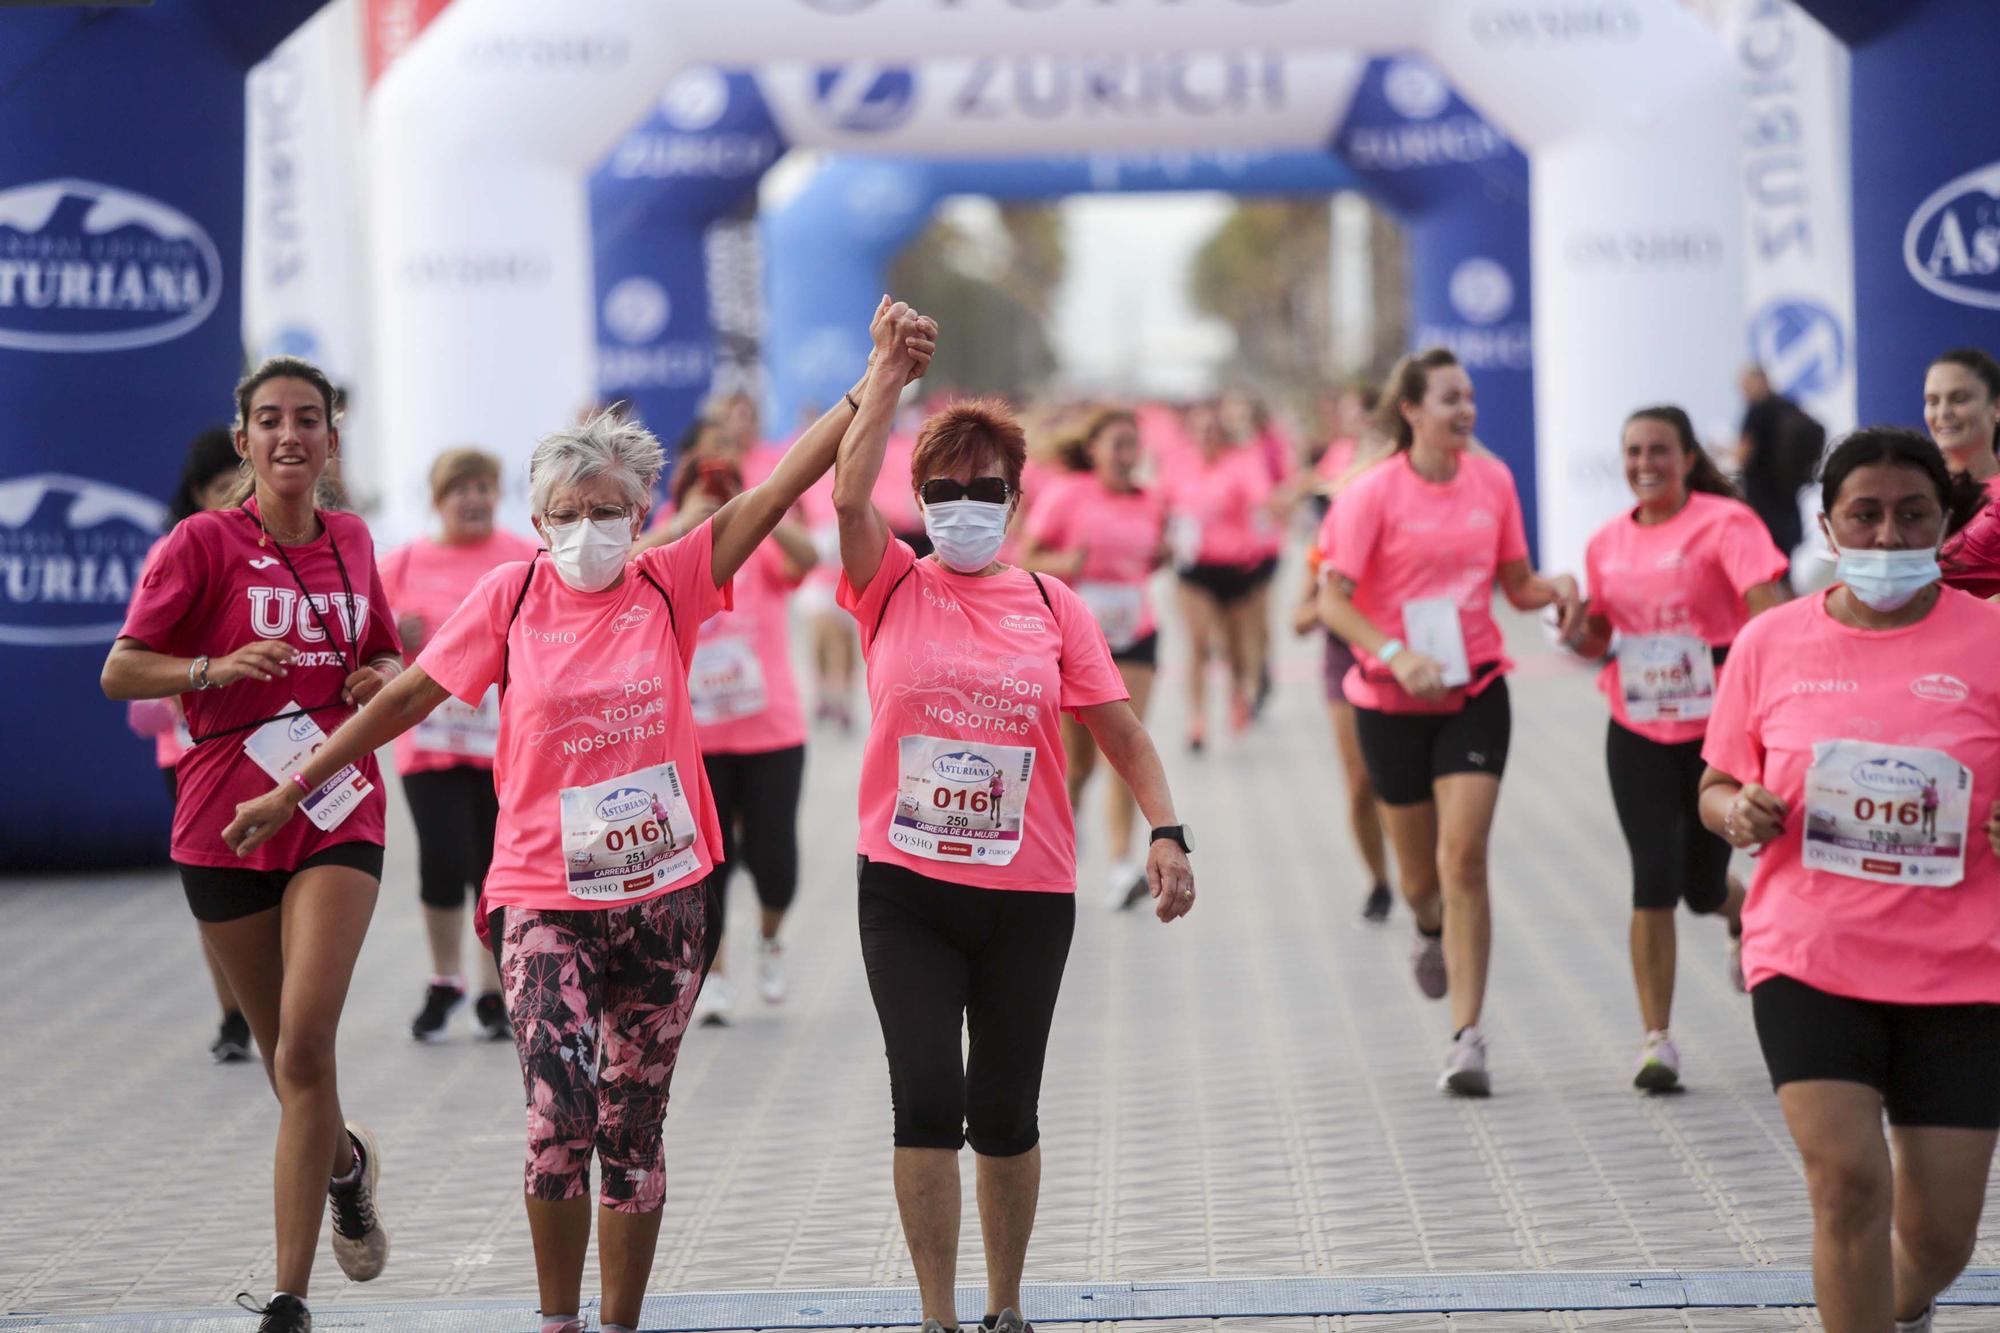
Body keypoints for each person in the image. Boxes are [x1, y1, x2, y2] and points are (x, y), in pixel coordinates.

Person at [221, 301, 937, 1333]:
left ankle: (616, 1323)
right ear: (539, 518)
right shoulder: (510, 597)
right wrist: (296, 785)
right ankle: (557, 1321)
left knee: (631, 1131)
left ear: (640, 517)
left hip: (667, 897)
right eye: (565, 510)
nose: (586, 528)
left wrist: (877, 376)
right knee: (559, 1118)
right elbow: (406, 697)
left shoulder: (672, 580)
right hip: (542, 895)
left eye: (606, 509)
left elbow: (784, 486)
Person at [834, 394, 1196, 1333]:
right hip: (905, 889)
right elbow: (842, 495)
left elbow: (1121, 730)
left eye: (984, 488)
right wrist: (883, 383)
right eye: (943, 489)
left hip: (1028, 895)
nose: (964, 504)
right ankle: (937, 1319)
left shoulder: (1051, 603)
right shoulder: (890, 585)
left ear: (1016, 498)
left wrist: (1167, 831)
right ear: (915, 498)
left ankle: (1005, 1307)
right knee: (924, 1096)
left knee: (1002, 1108)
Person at [101, 357, 400, 1333]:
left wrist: (377, 676)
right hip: (223, 819)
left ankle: (287, 1297)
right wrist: (213, 665)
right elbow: (121, 671)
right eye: (268, 420)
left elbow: (385, 655)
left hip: (334, 809)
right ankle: (345, 1165)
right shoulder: (200, 543)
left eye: (306, 419)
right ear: (242, 440)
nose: (288, 436)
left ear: (329, 437)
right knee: (286, 1063)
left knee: (307, 1041)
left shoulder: (353, 540)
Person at [1699, 427, 1998, 1333]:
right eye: (1862, 516)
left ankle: (1890, 1307)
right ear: (1827, 526)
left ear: (1945, 523)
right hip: (1809, 954)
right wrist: (1736, 811)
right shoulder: (1769, 641)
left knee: (1940, 1239)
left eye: (1911, 516)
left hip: (1964, 970)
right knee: (1847, 1187)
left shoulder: (1992, 640)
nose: (1885, 537)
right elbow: (1715, 785)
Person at [1317, 347, 1582, 1097]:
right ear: (1411, 410)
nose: (1465, 409)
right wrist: (1396, 653)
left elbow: (1516, 586)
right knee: (1419, 877)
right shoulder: (1369, 495)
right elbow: (1333, 600)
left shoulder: (1492, 480)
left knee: (1464, 858)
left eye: (1469, 397)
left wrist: (1556, 589)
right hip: (1391, 700)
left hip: (1475, 689)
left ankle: (1468, 1037)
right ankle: (1427, 926)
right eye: (1448, 399)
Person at [1564, 406, 1790, 1091]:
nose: (1644, 463)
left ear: (1689, 457)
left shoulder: (1727, 523)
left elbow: (1772, 614)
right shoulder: (1606, 542)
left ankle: (1735, 912)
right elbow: (1599, 639)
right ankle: (1656, 1040)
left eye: (1659, 449)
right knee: (1653, 877)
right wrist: (1575, 631)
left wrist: (1776, 706)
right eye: (1633, 450)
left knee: (1697, 886)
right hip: (1635, 725)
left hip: (1717, 734)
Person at [649, 452, 817, 1023]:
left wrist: (759, 507)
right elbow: (629, 570)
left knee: (776, 862)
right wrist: (684, 522)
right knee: (706, 868)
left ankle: (769, 940)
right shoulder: (669, 550)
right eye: (703, 487)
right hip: (695, 739)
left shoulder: (763, 540)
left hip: (772, 732)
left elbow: (811, 557)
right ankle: (713, 974)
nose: (716, 496)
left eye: (727, 488)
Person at [379, 448, 540, 1042]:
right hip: (431, 741)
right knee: (443, 857)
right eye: (459, 489)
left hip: (510, 745)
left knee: (495, 866)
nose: (472, 499)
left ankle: (496, 992)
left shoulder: (523, 557)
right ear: (437, 498)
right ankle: (444, 978)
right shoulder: (401, 564)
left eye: (483, 487)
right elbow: (362, 638)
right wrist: (392, 634)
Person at [123, 426, 259, 1063]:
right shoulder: (173, 553)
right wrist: (206, 670)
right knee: (215, 893)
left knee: (280, 886)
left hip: (273, 752)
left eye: (240, 483)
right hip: (189, 754)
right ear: (194, 493)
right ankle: (234, 1015)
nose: (231, 497)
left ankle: (275, 1002)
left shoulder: (281, 553)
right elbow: (132, 666)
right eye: (217, 487)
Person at [1018, 408, 1169, 910]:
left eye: (1133, 446)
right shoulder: (1067, 495)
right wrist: (1067, 564)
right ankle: (1067, 828)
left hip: (1135, 634)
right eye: (1118, 445)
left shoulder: (1151, 502)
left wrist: (1164, 554)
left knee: (1126, 748)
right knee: (1077, 761)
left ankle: (1124, 864)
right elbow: (1025, 556)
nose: (1128, 456)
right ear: (1094, 451)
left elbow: (1148, 557)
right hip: (1075, 641)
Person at [1295, 423, 1398, 923]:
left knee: (1401, 780)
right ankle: (1380, 880)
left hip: (1400, 657)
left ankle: (1426, 869)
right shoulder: (1329, 535)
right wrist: (1330, 600)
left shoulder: (1410, 527)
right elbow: (1298, 620)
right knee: (1360, 783)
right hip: (1345, 658)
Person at [1162, 401, 1280, 747]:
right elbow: (1161, 506)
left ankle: (1238, 695)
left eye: (1212, 431)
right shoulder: (1179, 465)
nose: (1205, 437)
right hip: (1195, 568)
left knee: (1235, 649)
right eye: (1198, 431)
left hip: (1238, 566)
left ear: (1223, 434)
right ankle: (1197, 719)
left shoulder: (1242, 463)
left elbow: (1264, 499)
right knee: (1198, 644)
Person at [1927, 347, 2000, 598]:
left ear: (1997, 407)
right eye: (1932, 401)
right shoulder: (1909, 491)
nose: (1943, 413)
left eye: (1959, 399)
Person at [1736, 364, 1824, 566]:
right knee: (1785, 567)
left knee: (1767, 567)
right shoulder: (1789, 406)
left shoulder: (1757, 411)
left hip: (1763, 501)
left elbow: (1743, 456)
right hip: (1789, 499)